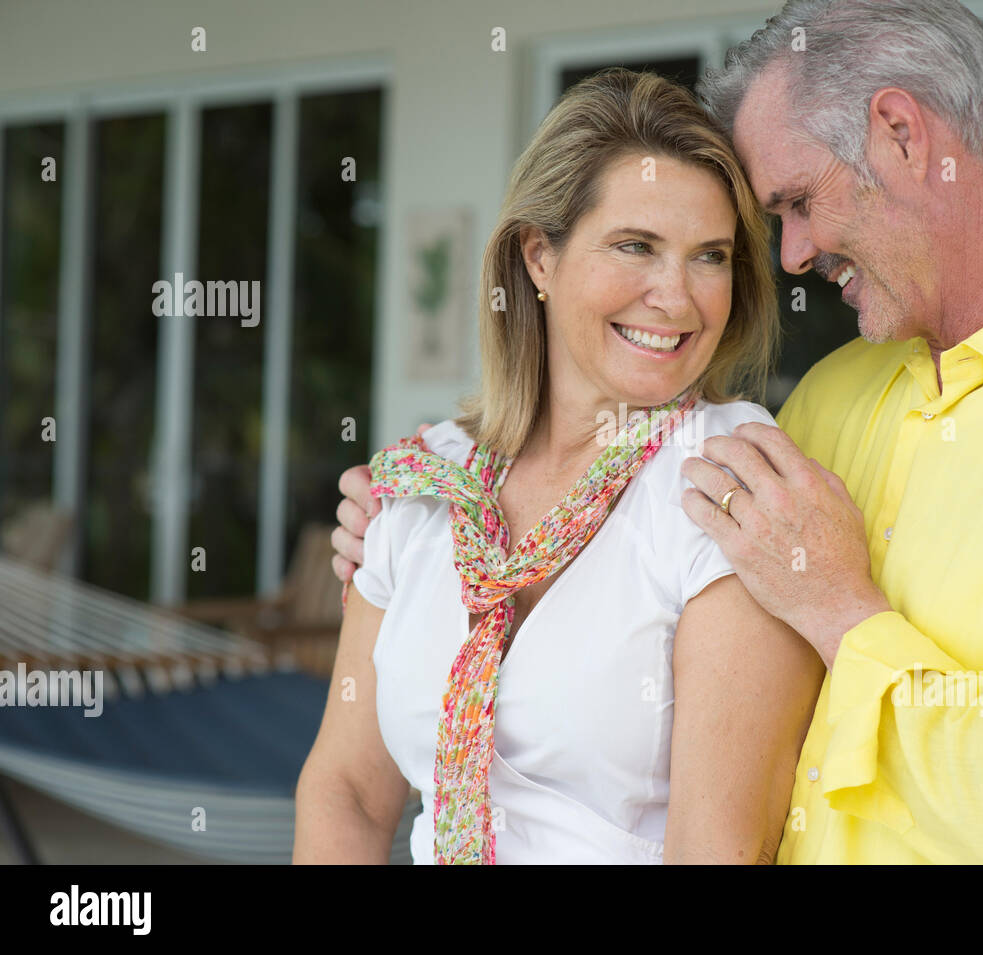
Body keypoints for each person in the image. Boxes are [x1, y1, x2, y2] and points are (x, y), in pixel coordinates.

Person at [334, 0, 983, 864]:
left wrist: (841, 609)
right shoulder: (833, 397)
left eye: (793, 203)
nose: (789, 256)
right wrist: (410, 540)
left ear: (901, 135)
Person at [294, 68, 824, 865]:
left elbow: (721, 852)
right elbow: (348, 791)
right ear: (539, 256)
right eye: (636, 246)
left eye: (709, 256)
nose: (677, 299)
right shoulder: (423, 484)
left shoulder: (723, 478)